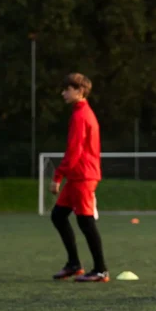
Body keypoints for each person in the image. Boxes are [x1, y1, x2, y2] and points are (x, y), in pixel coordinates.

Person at [50, 73, 108, 283]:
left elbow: (74, 151)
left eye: (67, 89)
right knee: (58, 216)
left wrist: (58, 176)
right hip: (77, 176)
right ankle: (74, 264)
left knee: (85, 221)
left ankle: (100, 270)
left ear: (80, 91)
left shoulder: (81, 115)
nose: (63, 93)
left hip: (83, 176)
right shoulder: (80, 113)